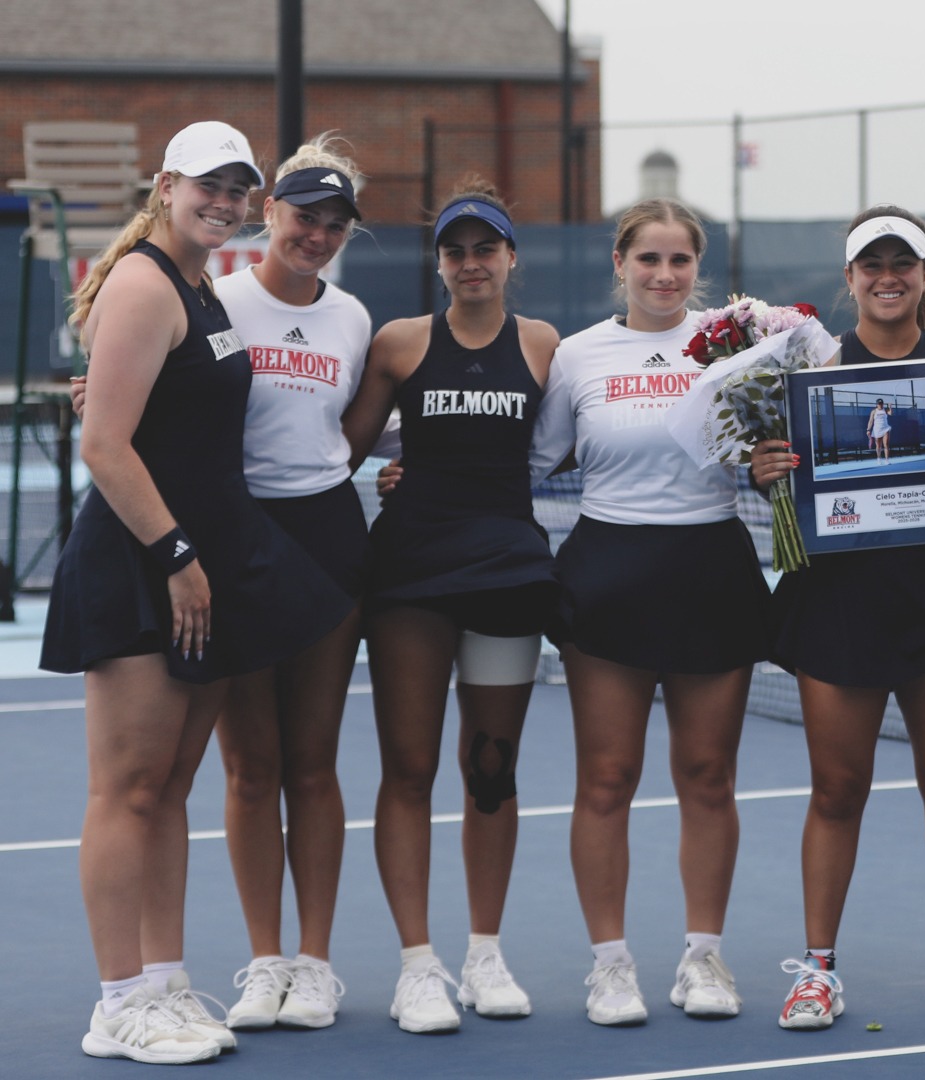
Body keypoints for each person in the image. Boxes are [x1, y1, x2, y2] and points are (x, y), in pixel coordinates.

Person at [43, 121, 351, 1064]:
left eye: (238, 188)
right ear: (167, 182)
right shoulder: (142, 280)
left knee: (171, 788)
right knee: (128, 789)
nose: (222, 201)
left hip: (199, 562)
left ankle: (165, 982)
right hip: (147, 564)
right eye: (207, 185)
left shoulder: (198, 286)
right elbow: (104, 446)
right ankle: (116, 1003)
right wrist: (177, 554)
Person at [748, 205, 925, 1031]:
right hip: (838, 601)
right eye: (871, 266)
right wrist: (769, 469)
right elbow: (786, 482)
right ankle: (818, 972)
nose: (887, 278)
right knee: (837, 792)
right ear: (850, 281)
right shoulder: (807, 374)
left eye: (901, 264)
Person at [528, 198, 765, 1024]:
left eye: (680, 262)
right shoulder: (578, 356)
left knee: (707, 776)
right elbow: (531, 456)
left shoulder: (739, 348)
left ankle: (705, 958)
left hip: (711, 567)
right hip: (608, 572)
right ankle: (611, 966)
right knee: (607, 778)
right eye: (649, 260)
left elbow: (789, 431)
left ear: (698, 270)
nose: (664, 276)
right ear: (620, 264)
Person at [338, 179, 561, 1034]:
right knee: (409, 768)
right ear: (440, 264)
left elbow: (598, 429)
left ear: (510, 258)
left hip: (508, 573)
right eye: (456, 250)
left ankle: (484, 954)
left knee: (491, 769)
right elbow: (338, 446)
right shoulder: (398, 343)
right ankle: (416, 966)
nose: (471, 263)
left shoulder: (546, 346)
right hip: (410, 578)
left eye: (486, 249)